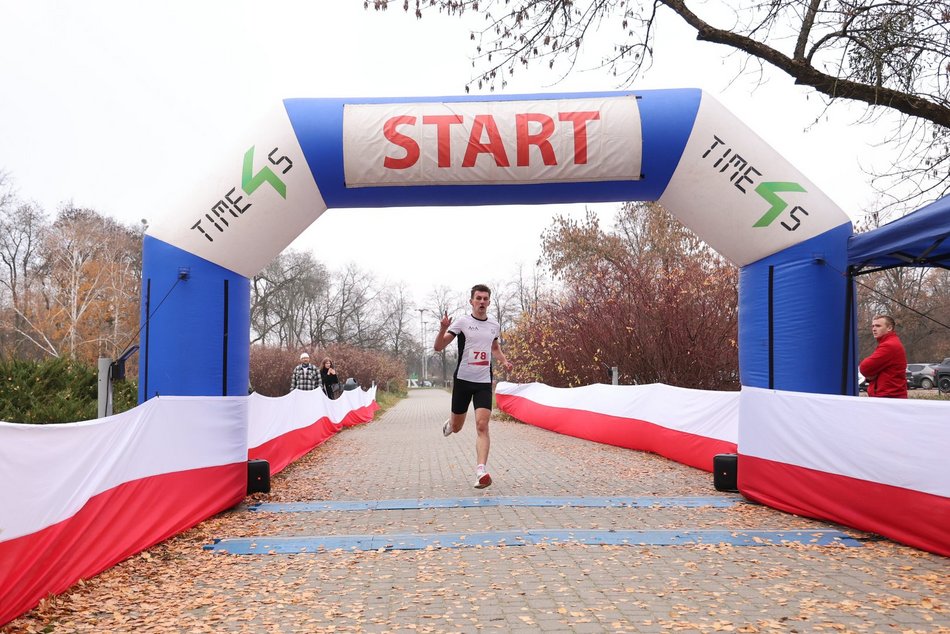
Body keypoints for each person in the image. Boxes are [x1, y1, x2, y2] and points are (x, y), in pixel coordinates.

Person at [434, 284, 513, 489]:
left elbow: (494, 347)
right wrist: (443, 328)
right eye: (478, 298)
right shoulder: (462, 322)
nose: (482, 302)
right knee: (457, 428)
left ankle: (481, 471)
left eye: (485, 299)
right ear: (471, 301)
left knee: (482, 425)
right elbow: (438, 347)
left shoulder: (494, 325)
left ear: (489, 302)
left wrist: (504, 361)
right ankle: (451, 424)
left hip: (483, 382)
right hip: (463, 381)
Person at [859, 314, 907, 398]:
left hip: (889, 397)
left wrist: (872, 374)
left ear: (889, 328)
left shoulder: (889, 345)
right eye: (873, 326)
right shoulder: (888, 343)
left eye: (878, 326)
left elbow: (864, 367)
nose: (874, 329)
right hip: (888, 396)